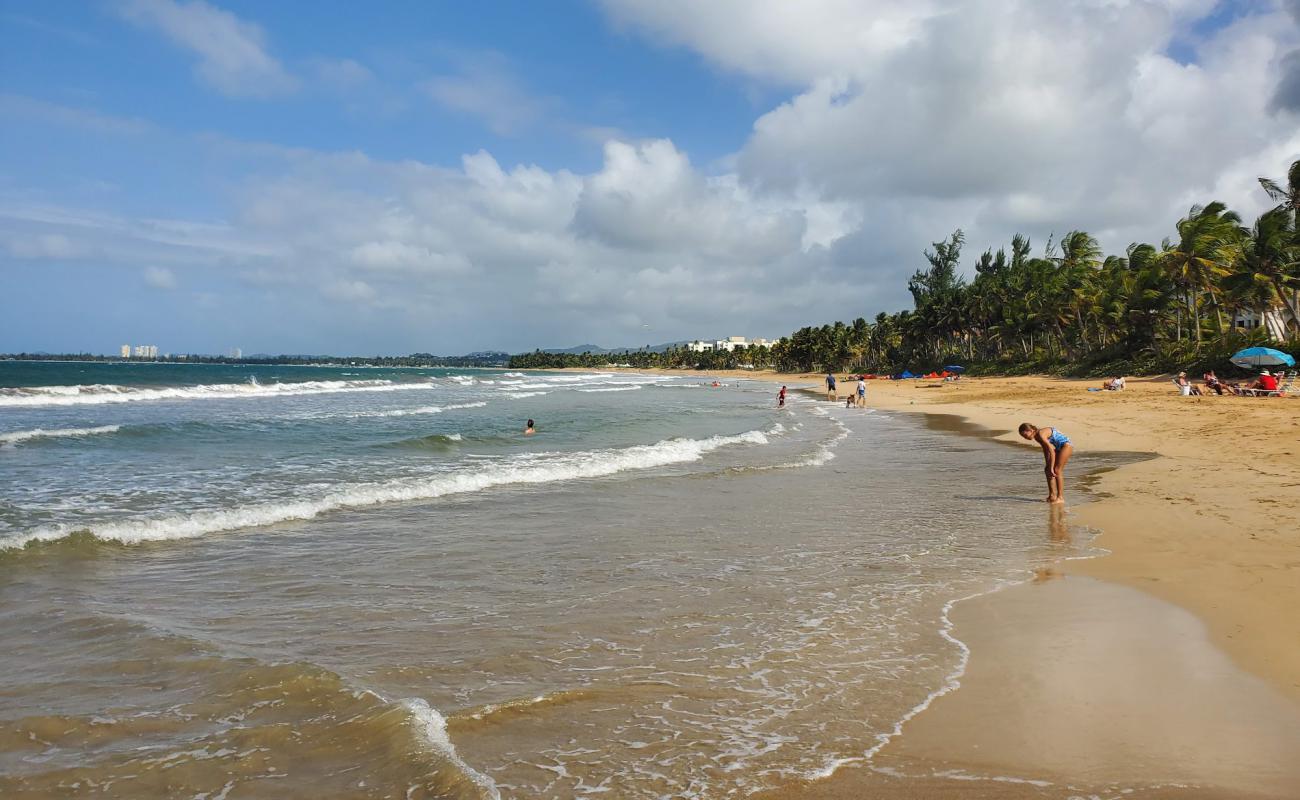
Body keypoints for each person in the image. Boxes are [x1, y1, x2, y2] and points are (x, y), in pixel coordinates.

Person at [1018, 422, 1073, 504]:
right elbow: (1046, 450)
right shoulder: (1036, 437)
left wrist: (1051, 467)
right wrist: (1048, 465)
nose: (1025, 438)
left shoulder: (1040, 434)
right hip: (1058, 448)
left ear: (1030, 430)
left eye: (1025, 435)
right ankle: (1052, 496)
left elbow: (1051, 450)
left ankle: (1060, 497)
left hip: (1066, 446)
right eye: (1023, 437)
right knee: (1047, 470)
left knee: (1057, 470)